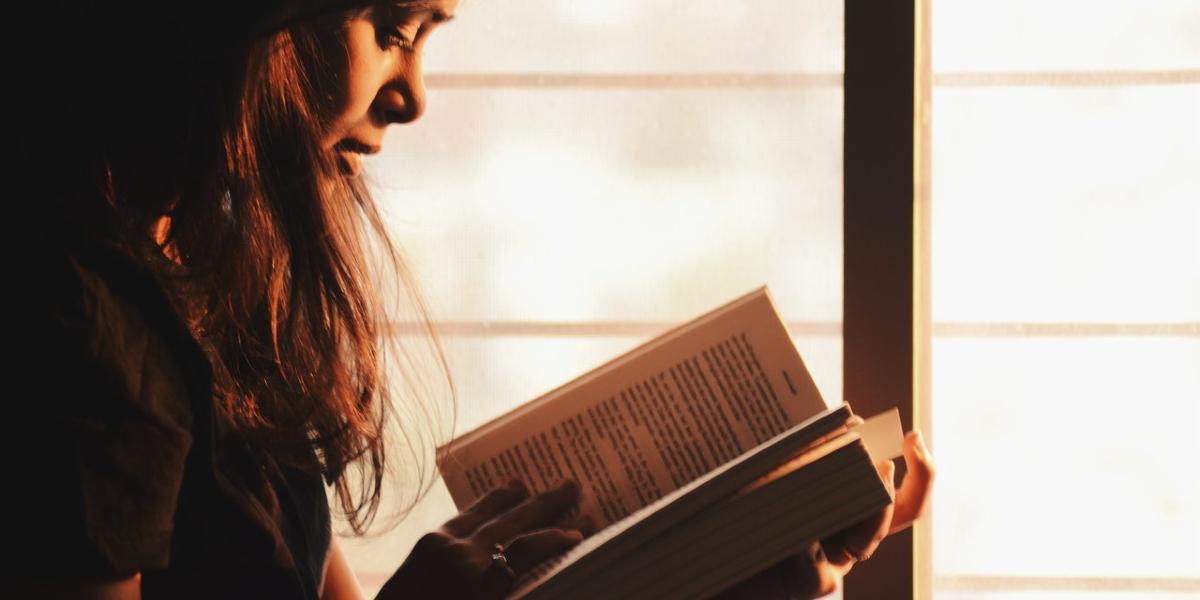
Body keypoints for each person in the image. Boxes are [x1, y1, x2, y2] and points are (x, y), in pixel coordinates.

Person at [7, 1, 933, 598]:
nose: (412, 96)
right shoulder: (72, 317)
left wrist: (721, 570)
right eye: (396, 29)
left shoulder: (218, 269)